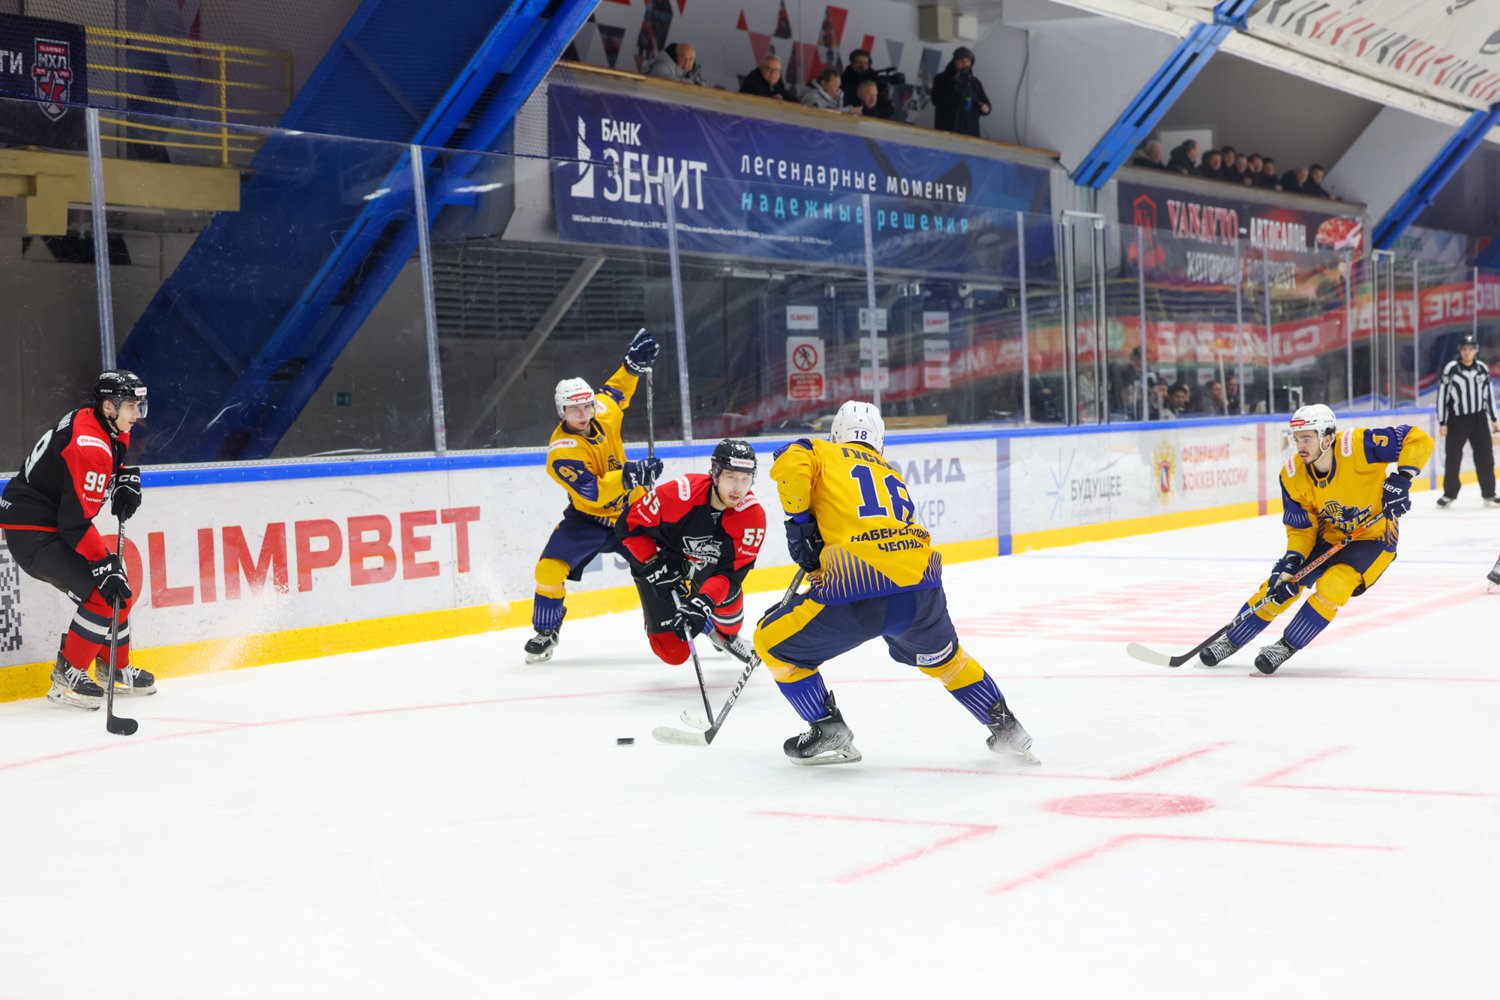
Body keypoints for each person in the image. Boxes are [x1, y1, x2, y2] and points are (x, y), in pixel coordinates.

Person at [752, 400, 1037, 765]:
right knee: (948, 660)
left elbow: (790, 462)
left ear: (836, 434)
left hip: (857, 592)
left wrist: (800, 526)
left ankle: (827, 728)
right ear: (879, 441)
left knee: (770, 642)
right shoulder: (890, 472)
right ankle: (1008, 729)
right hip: (920, 589)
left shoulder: (819, 451)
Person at [1198, 404, 1432, 674]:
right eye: (1297, 439)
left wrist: (1402, 479)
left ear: (1327, 437)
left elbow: (1417, 438)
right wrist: (1292, 562)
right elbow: (1301, 528)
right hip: (1328, 536)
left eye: (1307, 438)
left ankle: (1286, 645)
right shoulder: (1292, 474)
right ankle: (1232, 638)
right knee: (1280, 585)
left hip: (1374, 538)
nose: (1300, 446)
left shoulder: (1358, 446)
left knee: (1334, 586)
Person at [0, 370, 155, 708]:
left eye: (138, 405)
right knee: (103, 593)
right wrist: (103, 563)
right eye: (131, 405)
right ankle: (67, 675)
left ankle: (114, 669)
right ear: (109, 406)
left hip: (51, 521)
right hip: (33, 532)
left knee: (118, 588)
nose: (137, 414)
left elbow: (106, 462)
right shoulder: (90, 445)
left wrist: (122, 478)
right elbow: (74, 524)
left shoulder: (105, 423)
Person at [524, 329, 663, 662]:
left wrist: (631, 367)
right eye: (575, 409)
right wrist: (631, 475)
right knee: (548, 570)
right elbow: (593, 491)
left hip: (632, 514)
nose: (584, 414)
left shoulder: (602, 412)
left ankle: (706, 625)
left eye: (587, 406)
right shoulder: (562, 451)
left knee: (667, 568)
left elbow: (616, 392)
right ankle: (546, 631)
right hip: (588, 519)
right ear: (562, 411)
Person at [616, 439, 766, 665]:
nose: (738, 488)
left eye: (746, 478)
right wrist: (654, 564)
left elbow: (730, 575)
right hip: (661, 559)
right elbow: (627, 526)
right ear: (715, 473)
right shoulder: (679, 493)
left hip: (706, 566)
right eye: (731, 477)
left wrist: (702, 602)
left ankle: (725, 636)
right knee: (673, 653)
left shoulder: (752, 516)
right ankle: (658, 612)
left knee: (729, 600)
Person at [1435, 333, 1499, 508]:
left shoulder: (1482, 369)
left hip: (1479, 418)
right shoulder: (1451, 369)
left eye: (1470, 349)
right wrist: (1442, 422)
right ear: (1460, 350)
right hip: (1458, 420)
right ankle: (1449, 494)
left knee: (1485, 457)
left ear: (1476, 350)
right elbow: (1442, 396)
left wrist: (1494, 418)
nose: (1467, 352)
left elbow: (1488, 395)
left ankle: (1489, 493)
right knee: (1453, 457)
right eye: (1464, 349)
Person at [931, 47, 990, 137]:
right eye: (961, 61)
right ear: (955, 61)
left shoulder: (975, 82)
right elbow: (935, 100)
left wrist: (986, 109)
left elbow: (985, 103)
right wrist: (955, 93)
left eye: (968, 61)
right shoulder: (942, 79)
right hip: (946, 129)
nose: (965, 64)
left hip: (970, 132)